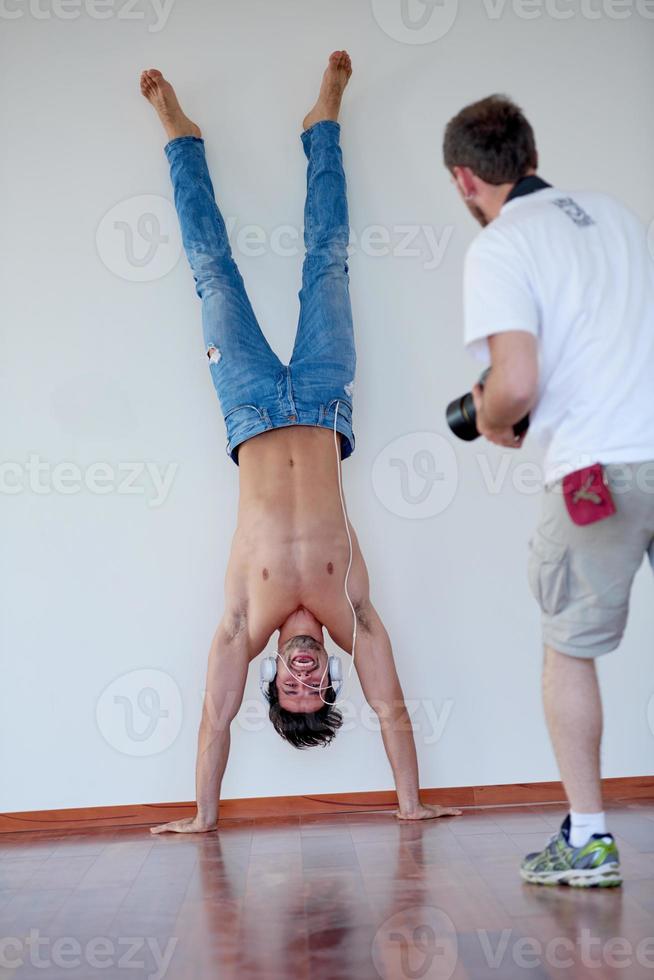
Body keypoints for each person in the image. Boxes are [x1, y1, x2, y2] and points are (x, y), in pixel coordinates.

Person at [141, 52, 461, 833]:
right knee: (330, 261)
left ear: (275, 681)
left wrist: (204, 820)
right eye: (318, 690)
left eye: (294, 690)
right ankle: (324, 123)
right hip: (323, 399)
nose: (307, 678)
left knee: (213, 274)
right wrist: (411, 807)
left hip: (246, 406)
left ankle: (178, 135)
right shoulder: (352, 613)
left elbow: (213, 724)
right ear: (328, 682)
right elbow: (389, 710)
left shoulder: (240, 626)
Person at [444, 94, 654, 887]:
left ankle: (590, 840)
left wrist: (495, 417)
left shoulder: (501, 245)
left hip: (598, 469)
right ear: (530, 154)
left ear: (465, 178)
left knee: (568, 648)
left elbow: (518, 381)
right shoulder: (615, 216)